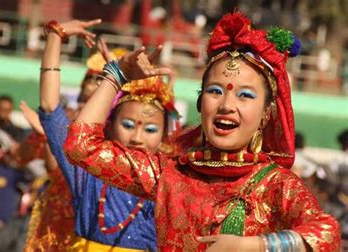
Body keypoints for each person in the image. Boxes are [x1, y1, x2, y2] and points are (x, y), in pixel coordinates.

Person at [64, 13, 340, 251]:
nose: (227, 105)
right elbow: (81, 145)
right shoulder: (168, 175)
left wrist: (254, 246)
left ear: (266, 114)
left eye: (245, 95)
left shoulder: (276, 185)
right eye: (215, 92)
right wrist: (116, 75)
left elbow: (327, 234)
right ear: (200, 102)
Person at [26, 19, 179, 251]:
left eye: (150, 129)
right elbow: (50, 107)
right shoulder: (86, 172)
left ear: (163, 135)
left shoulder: (170, 180)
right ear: (108, 125)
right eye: (128, 125)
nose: (138, 137)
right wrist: (55, 36)